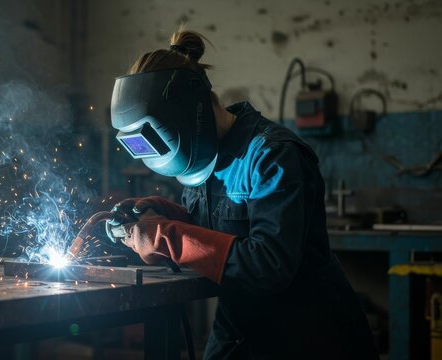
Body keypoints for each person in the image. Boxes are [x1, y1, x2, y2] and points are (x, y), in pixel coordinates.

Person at [104, 30, 379, 359]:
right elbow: (213, 228)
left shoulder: (273, 155)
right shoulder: (206, 158)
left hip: (307, 334)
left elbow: (269, 265)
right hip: (241, 329)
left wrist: (168, 237)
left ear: (196, 110)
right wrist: (165, 214)